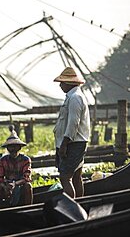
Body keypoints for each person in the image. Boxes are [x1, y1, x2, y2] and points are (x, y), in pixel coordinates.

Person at [53, 67, 90, 198]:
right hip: (75, 143)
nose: (60, 85)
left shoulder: (75, 98)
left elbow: (73, 123)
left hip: (73, 143)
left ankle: (72, 208)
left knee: (65, 177)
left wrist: (64, 144)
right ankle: (80, 204)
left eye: (62, 82)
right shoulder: (73, 97)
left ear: (69, 83)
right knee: (76, 177)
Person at [0, 125, 33, 209]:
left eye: (15, 147)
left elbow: (26, 178)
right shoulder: (3, 160)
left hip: (20, 186)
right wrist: (5, 186)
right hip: (6, 186)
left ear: (19, 148)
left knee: (28, 186)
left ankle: (28, 209)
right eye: (11, 148)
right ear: (7, 149)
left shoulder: (25, 160)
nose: (13, 150)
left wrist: (15, 184)